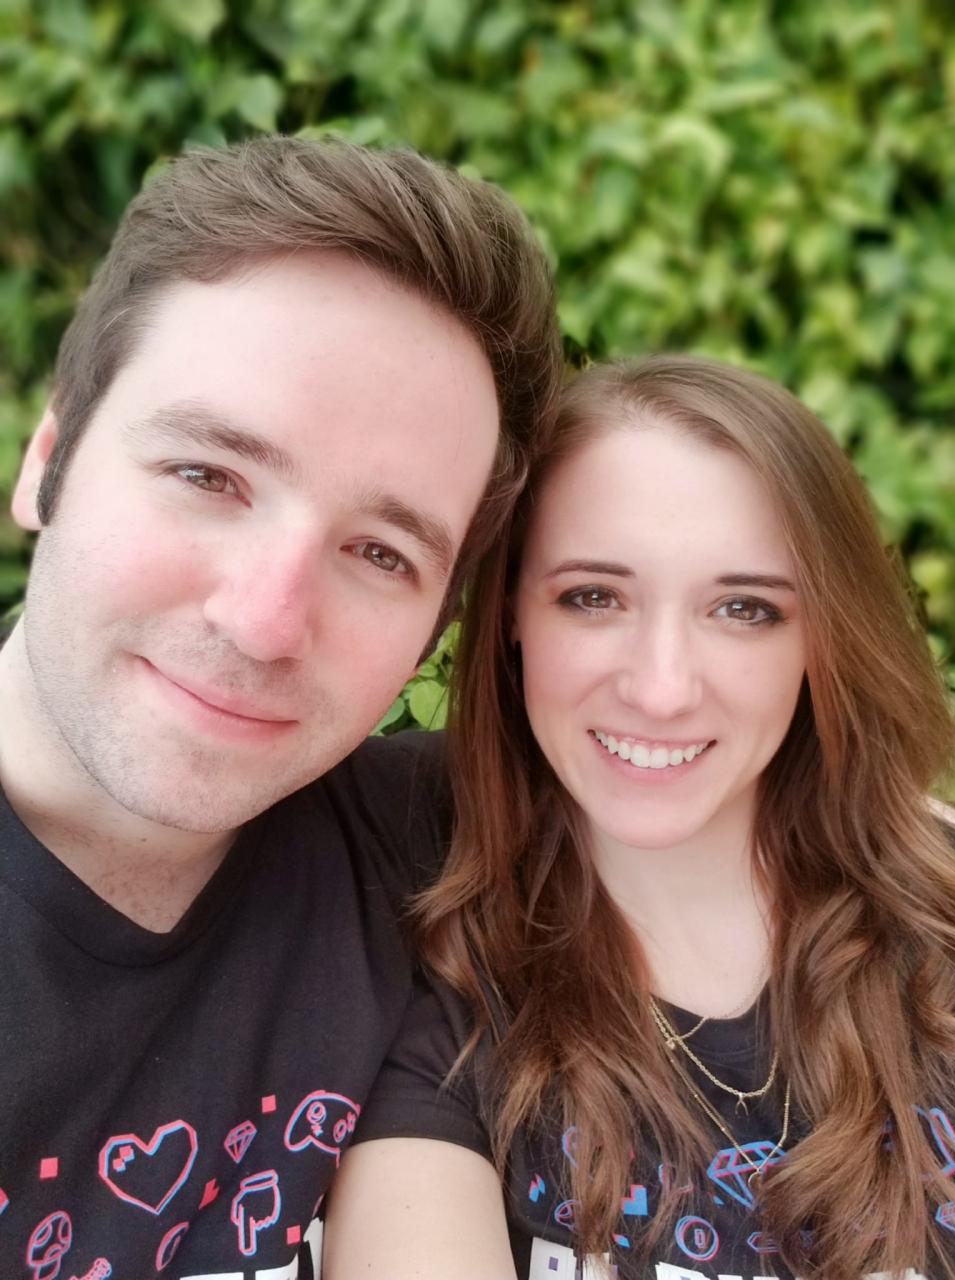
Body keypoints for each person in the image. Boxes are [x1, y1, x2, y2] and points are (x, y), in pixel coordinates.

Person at [0, 135, 561, 1277]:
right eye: (209, 475)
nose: (264, 620)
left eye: (380, 551)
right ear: (46, 458)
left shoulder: (422, 838)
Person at [326, 356, 955, 1280]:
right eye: (593, 597)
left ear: (821, 637)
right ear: (508, 612)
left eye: (744, 610)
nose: (661, 689)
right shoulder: (437, 955)